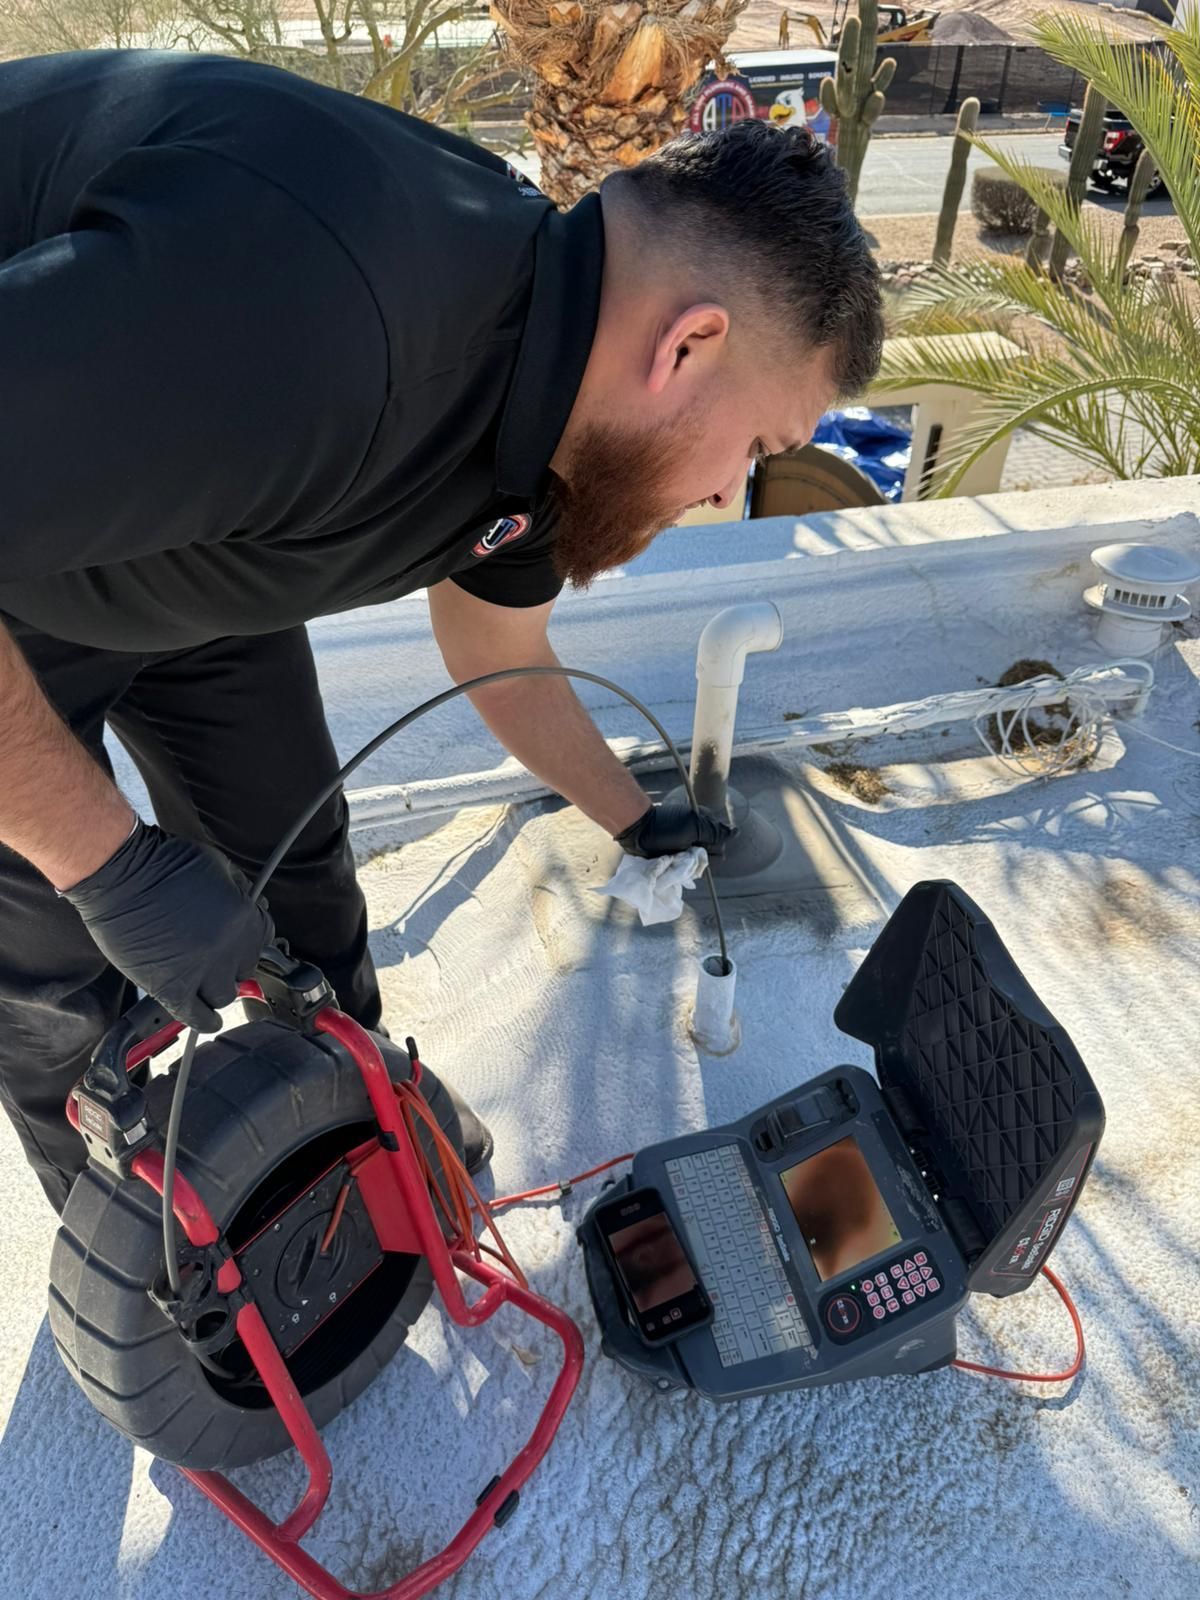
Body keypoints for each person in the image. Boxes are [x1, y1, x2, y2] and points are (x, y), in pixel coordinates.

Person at [0, 51, 883, 1213]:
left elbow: (503, 658)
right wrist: (103, 859)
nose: (728, 492)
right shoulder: (317, 323)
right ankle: (125, 1241)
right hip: (27, 569)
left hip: (194, 543)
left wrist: (637, 817)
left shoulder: (556, 417)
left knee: (298, 884)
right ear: (687, 348)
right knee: (62, 978)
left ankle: (340, 1139)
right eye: (759, 448)